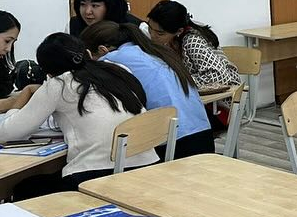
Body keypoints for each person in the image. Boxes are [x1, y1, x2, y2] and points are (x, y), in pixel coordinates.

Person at [0, 33, 155, 196]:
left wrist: (17, 104)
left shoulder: (59, 84)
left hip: (97, 176)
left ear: (49, 73)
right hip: (145, 168)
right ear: (86, 53)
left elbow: (8, 133)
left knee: (25, 187)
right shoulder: (116, 70)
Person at [80, 20, 214, 158]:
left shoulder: (110, 60)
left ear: (102, 50)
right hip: (204, 137)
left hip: (172, 146)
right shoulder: (152, 52)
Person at [147, 0, 241, 91]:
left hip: (225, 93)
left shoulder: (192, 41)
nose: (152, 35)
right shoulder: (167, 39)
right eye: (150, 28)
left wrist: (176, 81)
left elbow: (220, 76)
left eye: (160, 33)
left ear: (179, 31)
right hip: (198, 92)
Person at [69, 0, 143, 37]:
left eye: (94, 5)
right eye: (83, 4)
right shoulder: (73, 25)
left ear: (111, 6)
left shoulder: (137, 27)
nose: (87, 12)